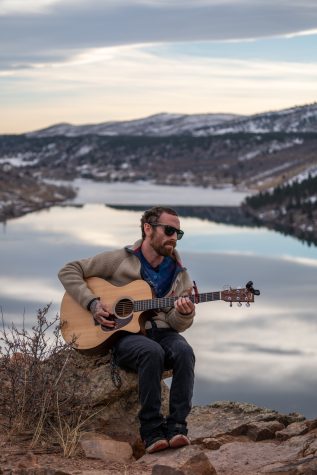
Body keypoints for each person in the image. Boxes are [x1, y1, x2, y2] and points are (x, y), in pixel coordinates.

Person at [58, 206, 196, 454]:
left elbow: (176, 324)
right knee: (151, 352)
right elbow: (68, 270)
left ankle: (177, 428)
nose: (174, 237)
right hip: (125, 336)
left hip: (163, 332)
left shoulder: (179, 274)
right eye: (169, 230)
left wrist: (185, 313)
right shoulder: (121, 259)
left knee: (185, 352)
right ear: (148, 229)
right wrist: (92, 303)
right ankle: (152, 432)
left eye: (178, 233)